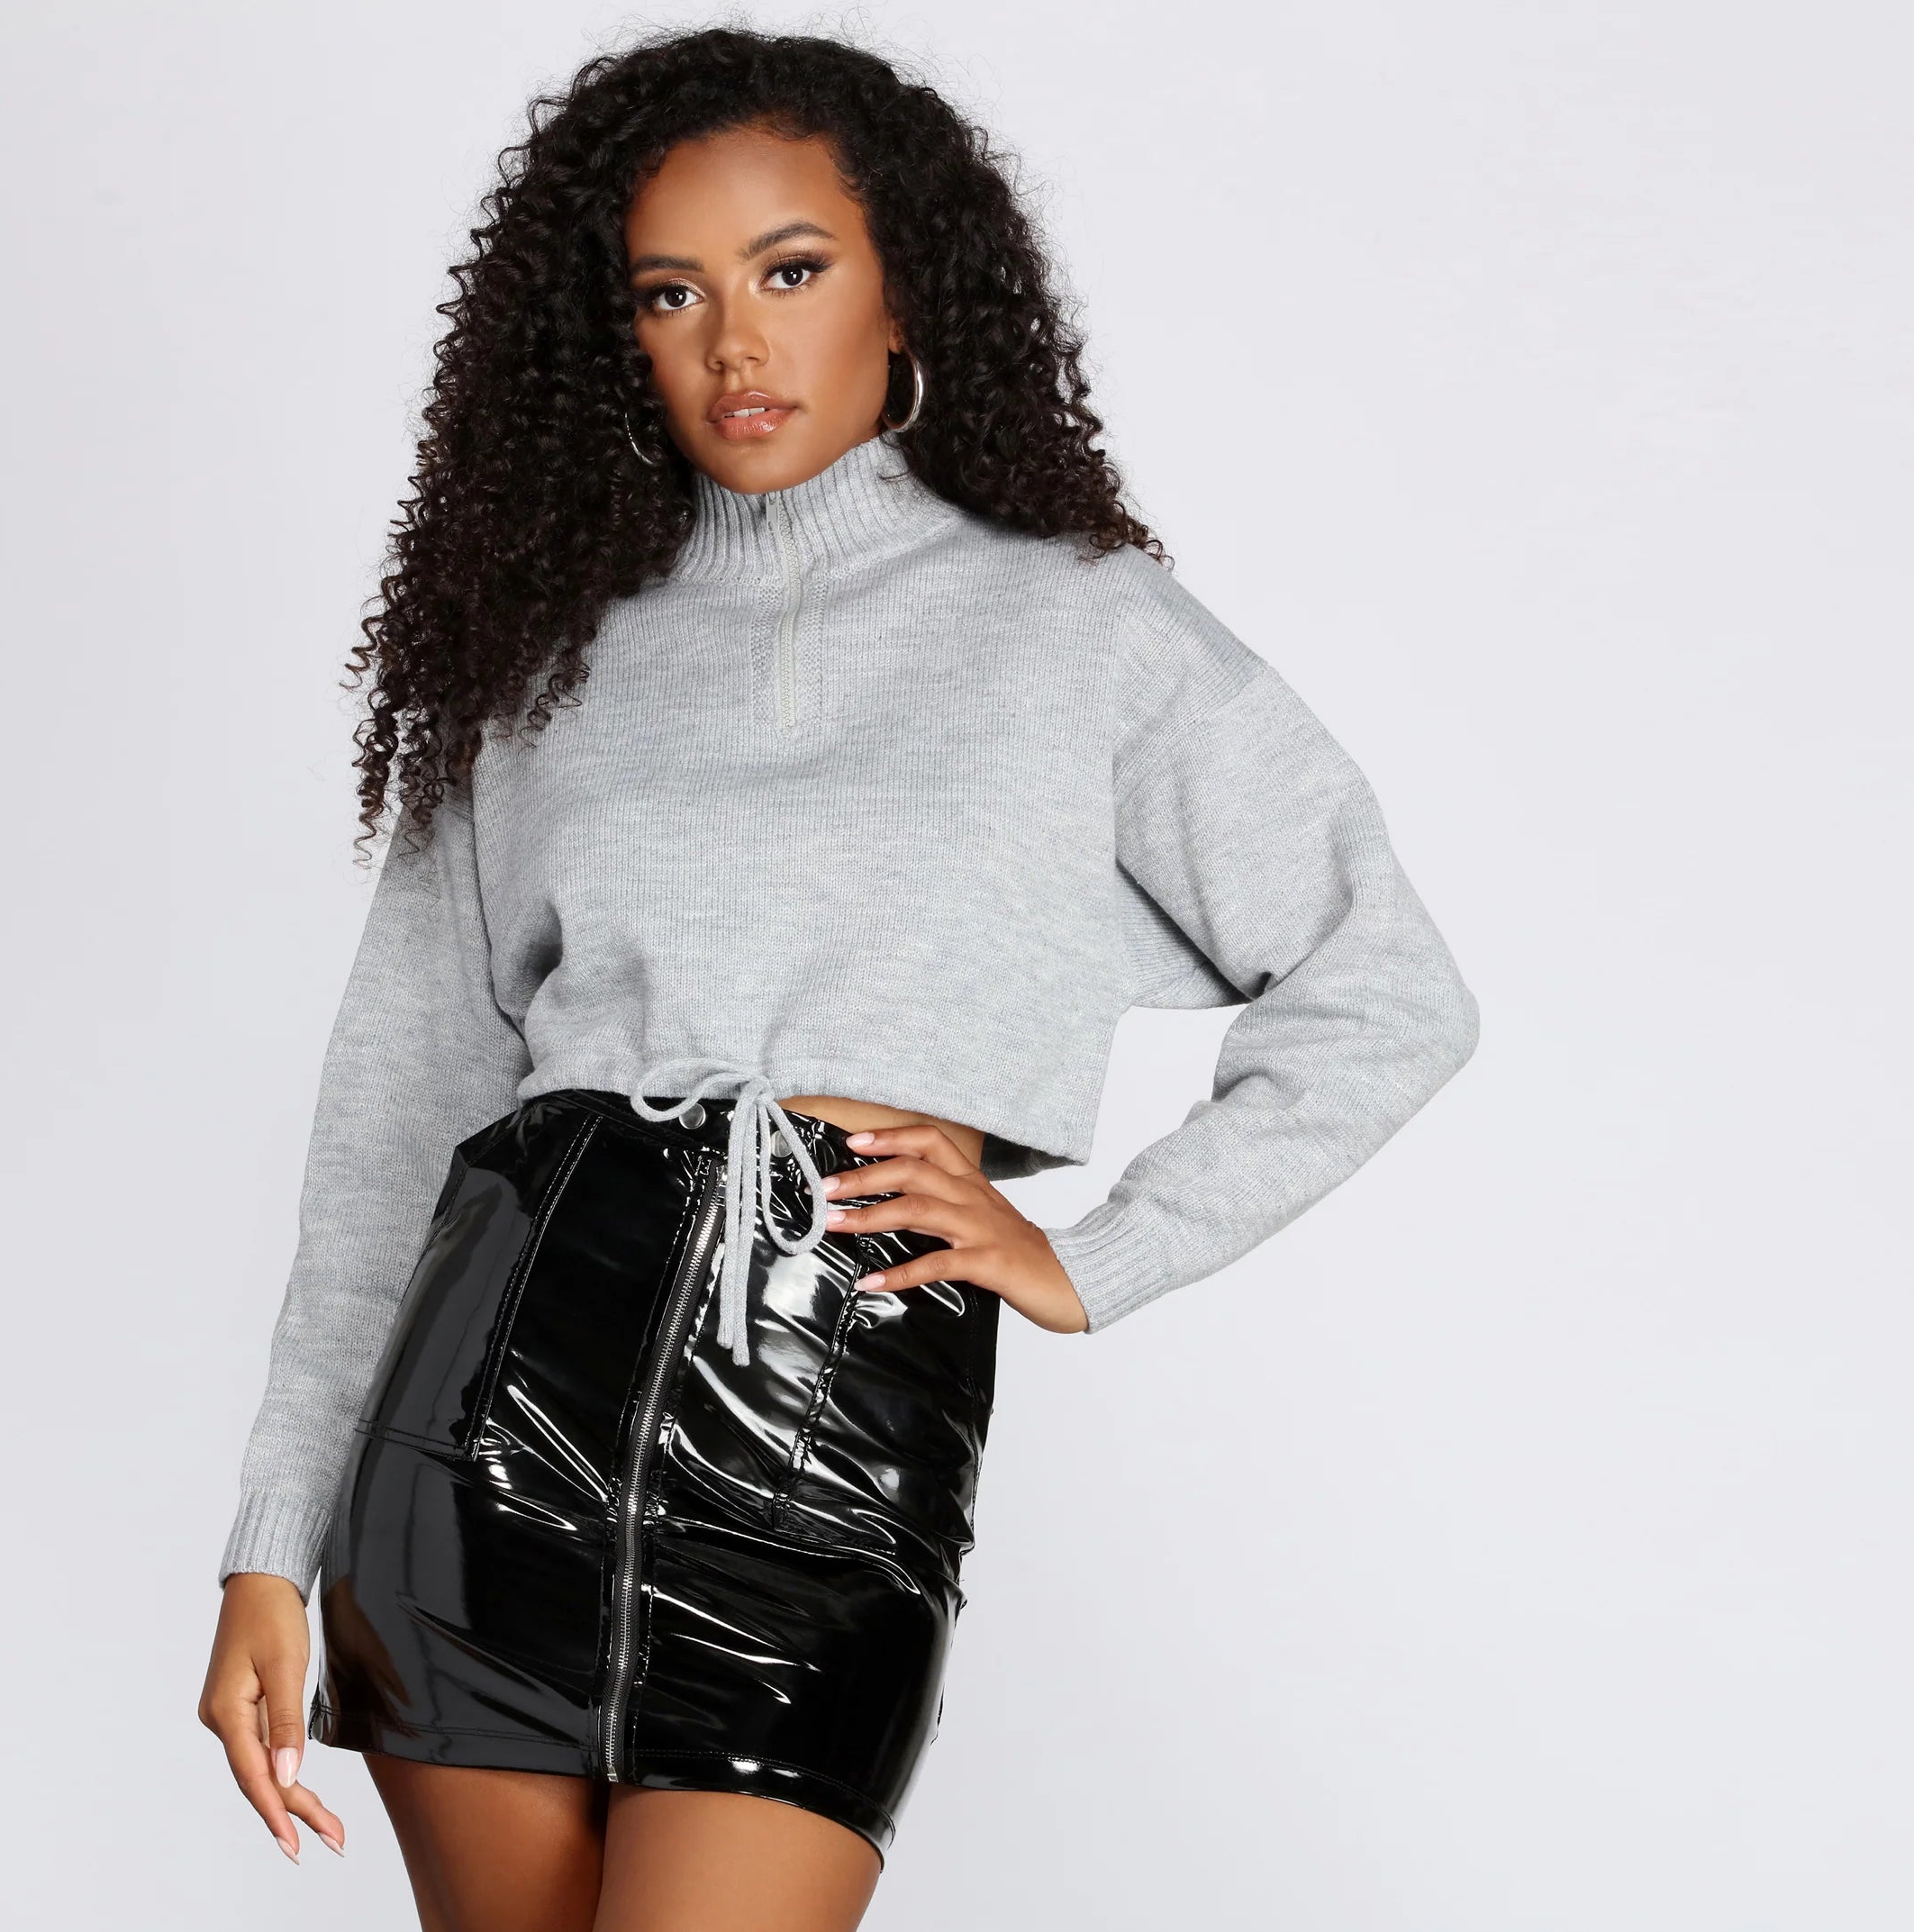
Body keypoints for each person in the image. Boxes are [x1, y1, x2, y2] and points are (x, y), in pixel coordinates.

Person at [197, 26, 1478, 1932]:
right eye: (671, 294)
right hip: (485, 1423)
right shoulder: (538, 655)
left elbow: (1386, 993)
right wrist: (271, 1541)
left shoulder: (1082, 627)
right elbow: (395, 1117)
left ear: (906, 284)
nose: (735, 344)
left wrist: (1099, 1251)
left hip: (831, 1427)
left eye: (789, 270)